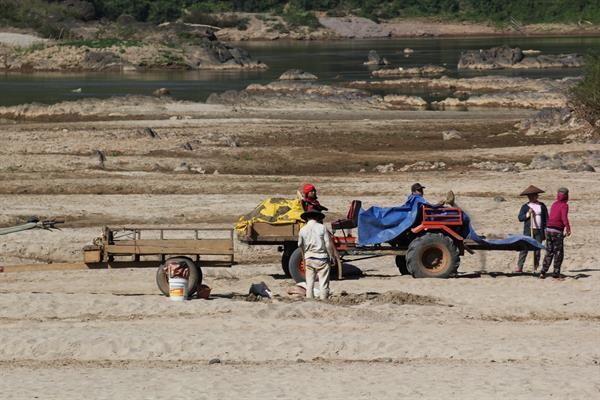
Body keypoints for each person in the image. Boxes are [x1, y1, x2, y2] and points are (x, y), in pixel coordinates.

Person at [297, 209, 335, 300]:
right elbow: (328, 244)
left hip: (309, 258)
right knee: (323, 281)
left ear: (306, 218)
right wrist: (331, 256)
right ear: (317, 217)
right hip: (321, 258)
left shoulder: (302, 230)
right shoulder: (322, 228)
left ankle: (310, 300)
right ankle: (323, 299)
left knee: (309, 282)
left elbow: (300, 245)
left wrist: (304, 256)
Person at [540, 187, 571, 279]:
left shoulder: (554, 204)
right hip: (557, 231)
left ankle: (543, 271)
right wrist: (568, 228)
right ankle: (556, 272)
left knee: (549, 251)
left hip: (549, 230)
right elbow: (564, 217)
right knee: (558, 252)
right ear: (566, 196)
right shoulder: (564, 205)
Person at [515, 185, 548, 273]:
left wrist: (546, 230)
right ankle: (519, 267)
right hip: (528, 230)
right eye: (534, 195)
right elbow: (520, 218)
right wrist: (528, 214)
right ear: (530, 196)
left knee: (537, 250)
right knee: (524, 248)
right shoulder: (525, 207)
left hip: (539, 231)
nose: (536, 197)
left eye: (537, 195)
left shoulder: (542, 206)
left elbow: (546, 219)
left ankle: (535, 267)